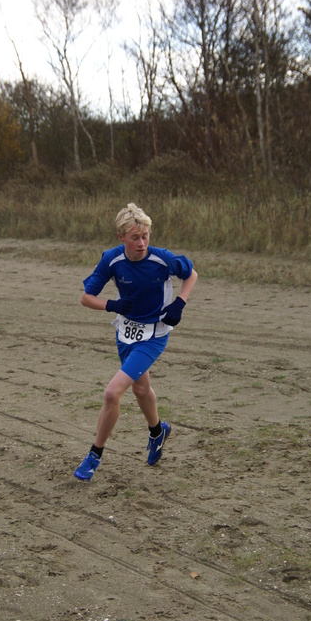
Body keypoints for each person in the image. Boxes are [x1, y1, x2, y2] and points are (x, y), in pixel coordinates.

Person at [74, 203, 198, 481]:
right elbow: (86, 297)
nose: (141, 243)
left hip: (154, 336)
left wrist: (180, 302)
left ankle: (94, 455)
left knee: (112, 393)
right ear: (121, 237)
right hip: (125, 333)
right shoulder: (112, 259)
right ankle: (158, 431)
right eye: (134, 238)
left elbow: (191, 274)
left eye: (145, 236)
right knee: (141, 390)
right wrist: (113, 305)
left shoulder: (162, 259)